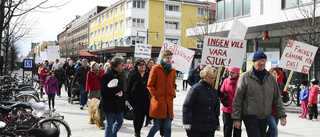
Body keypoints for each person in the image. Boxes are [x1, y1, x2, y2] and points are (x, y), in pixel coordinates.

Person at [232, 50, 287, 137]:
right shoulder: (245, 77)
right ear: (254, 62)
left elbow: (277, 98)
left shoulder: (271, 78)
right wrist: (236, 118)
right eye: (259, 61)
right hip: (250, 116)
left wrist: (282, 115)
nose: (262, 63)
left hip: (265, 117)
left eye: (264, 61)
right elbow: (238, 99)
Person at [183, 65, 220, 137]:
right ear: (204, 76)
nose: (211, 80)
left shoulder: (214, 91)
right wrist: (186, 123)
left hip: (209, 127)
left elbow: (216, 110)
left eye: (213, 78)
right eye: (209, 77)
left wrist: (217, 123)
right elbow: (187, 106)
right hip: (196, 127)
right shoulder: (196, 89)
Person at [147, 49, 176, 137]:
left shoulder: (172, 70)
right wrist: (155, 95)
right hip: (158, 103)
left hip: (168, 103)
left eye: (170, 58)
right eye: (167, 58)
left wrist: (173, 94)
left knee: (168, 127)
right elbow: (150, 84)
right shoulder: (156, 68)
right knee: (156, 127)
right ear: (162, 58)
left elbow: (173, 84)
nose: (169, 60)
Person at [100, 57, 125, 137]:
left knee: (120, 121)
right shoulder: (107, 75)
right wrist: (116, 90)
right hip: (108, 103)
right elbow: (103, 91)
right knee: (109, 124)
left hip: (118, 103)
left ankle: (113, 135)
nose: (123, 66)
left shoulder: (119, 73)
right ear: (118, 65)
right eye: (122, 64)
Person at [126, 59, 151, 137]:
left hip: (145, 100)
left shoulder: (148, 75)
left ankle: (139, 130)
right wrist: (127, 99)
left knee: (142, 116)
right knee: (137, 116)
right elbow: (128, 87)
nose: (142, 66)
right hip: (135, 100)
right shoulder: (133, 75)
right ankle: (137, 132)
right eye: (140, 65)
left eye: (143, 65)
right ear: (137, 66)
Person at [220, 67, 241, 137]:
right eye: (230, 72)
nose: (230, 74)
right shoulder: (226, 81)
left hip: (237, 109)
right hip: (227, 108)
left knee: (237, 128)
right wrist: (222, 99)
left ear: (237, 73)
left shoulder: (241, 81)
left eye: (233, 73)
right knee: (227, 128)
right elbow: (221, 92)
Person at [266, 67, 284, 137]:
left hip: (277, 112)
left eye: (274, 74)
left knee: (271, 129)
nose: (272, 75)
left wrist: (285, 96)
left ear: (278, 75)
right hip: (268, 112)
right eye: (270, 74)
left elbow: (285, 100)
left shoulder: (281, 85)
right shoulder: (265, 85)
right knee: (274, 129)